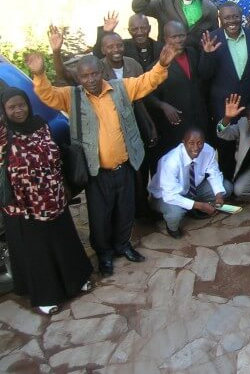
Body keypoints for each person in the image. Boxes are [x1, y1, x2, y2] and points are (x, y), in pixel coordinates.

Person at [28, 42, 179, 276]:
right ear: (78, 77)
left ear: (101, 71)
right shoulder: (72, 97)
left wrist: (162, 64)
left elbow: (147, 81)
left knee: (125, 211)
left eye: (94, 74)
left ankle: (123, 245)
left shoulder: (121, 88)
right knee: (100, 217)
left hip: (125, 165)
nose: (90, 79)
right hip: (97, 171)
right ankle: (104, 254)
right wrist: (39, 74)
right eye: (84, 76)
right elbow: (48, 95)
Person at [0, 88, 93, 315]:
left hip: (53, 197)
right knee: (38, 252)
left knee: (64, 241)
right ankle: (46, 295)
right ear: (4, 110)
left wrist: (64, 184)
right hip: (25, 207)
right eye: (12, 107)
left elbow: (55, 156)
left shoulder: (40, 125)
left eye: (21, 104)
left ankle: (76, 280)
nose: (18, 110)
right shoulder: (3, 135)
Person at [199, 2, 250, 179]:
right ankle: (228, 185)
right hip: (224, 108)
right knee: (225, 148)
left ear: (241, 17)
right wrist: (208, 54)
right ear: (220, 19)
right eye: (227, 18)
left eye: (235, 17)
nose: (232, 21)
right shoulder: (212, 39)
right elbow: (204, 75)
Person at [148, 127, 234, 239]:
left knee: (226, 188)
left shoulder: (208, 150)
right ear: (183, 143)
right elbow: (170, 196)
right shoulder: (170, 161)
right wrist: (200, 206)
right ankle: (172, 228)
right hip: (164, 196)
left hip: (190, 189)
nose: (196, 147)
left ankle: (191, 206)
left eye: (200, 143)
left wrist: (218, 195)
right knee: (176, 213)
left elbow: (214, 173)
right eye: (191, 143)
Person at [145, 21, 209, 157]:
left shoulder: (193, 53)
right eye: (174, 37)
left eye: (182, 35)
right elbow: (148, 96)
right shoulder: (157, 67)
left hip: (199, 121)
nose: (179, 40)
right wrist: (163, 105)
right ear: (165, 39)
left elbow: (204, 77)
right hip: (177, 126)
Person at [92, 12, 164, 70]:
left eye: (143, 28)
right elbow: (98, 57)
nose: (139, 32)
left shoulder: (161, 48)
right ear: (129, 31)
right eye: (134, 29)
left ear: (149, 28)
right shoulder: (122, 46)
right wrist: (105, 32)